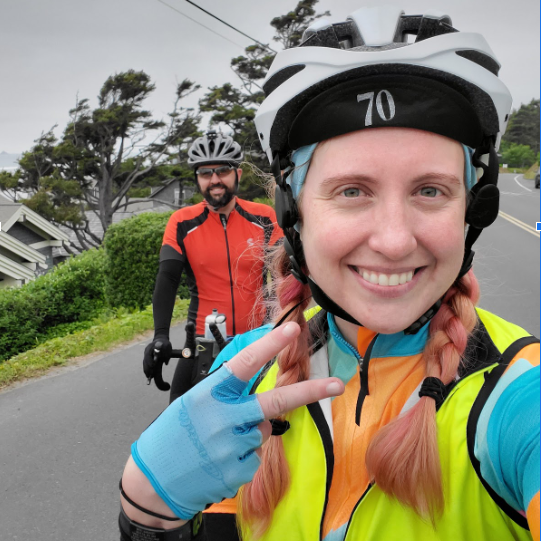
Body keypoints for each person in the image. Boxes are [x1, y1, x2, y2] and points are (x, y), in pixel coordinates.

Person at [120, 7, 540, 541]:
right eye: (351, 191)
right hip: (234, 342)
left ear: (473, 209)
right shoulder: (243, 374)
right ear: (295, 213)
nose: (393, 241)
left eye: (431, 190)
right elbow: (167, 283)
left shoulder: (520, 393)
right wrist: (149, 518)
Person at [143, 130, 283, 402]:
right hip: (202, 345)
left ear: (237, 174)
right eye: (206, 173)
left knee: (271, 419)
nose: (215, 179)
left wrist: (287, 322)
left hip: (258, 339)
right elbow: (168, 278)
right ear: (197, 179)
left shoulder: (264, 217)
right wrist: (160, 336)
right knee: (179, 417)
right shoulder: (182, 222)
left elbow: (284, 274)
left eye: (223, 170)